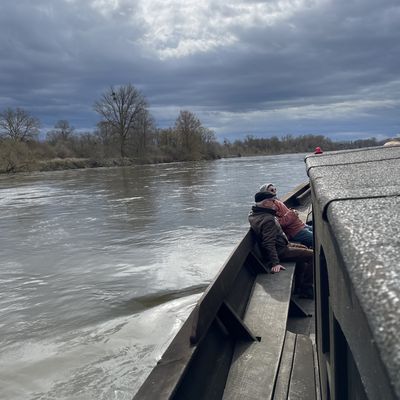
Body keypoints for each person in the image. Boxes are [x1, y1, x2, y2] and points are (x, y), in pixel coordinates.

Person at [248, 190, 314, 298]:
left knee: (304, 248)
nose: (275, 203)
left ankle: (299, 286)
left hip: (283, 245)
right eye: (272, 201)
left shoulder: (254, 214)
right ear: (265, 203)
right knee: (313, 255)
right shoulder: (268, 219)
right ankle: (306, 289)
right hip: (280, 251)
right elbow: (268, 243)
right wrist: (275, 263)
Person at [259, 183, 313, 248]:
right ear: (265, 193)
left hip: (300, 226)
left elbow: (286, 214)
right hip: (294, 231)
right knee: (316, 237)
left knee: (316, 230)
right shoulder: (269, 207)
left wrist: (291, 213)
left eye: (275, 189)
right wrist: (292, 214)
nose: (274, 192)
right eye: (271, 190)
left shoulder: (276, 201)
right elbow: (279, 223)